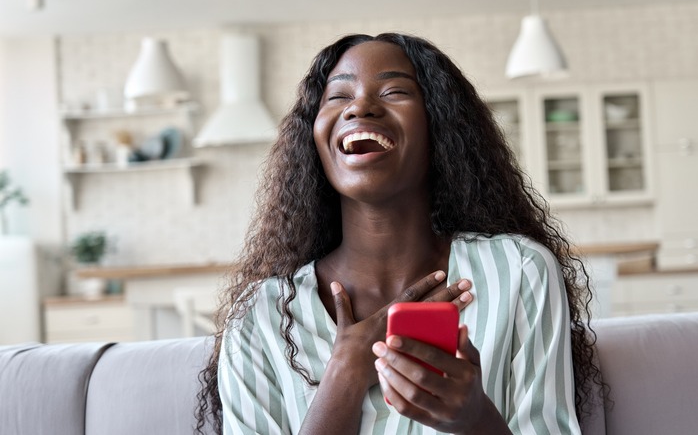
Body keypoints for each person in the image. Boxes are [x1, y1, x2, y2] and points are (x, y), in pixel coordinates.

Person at [196, 32, 603, 435]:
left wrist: (477, 420)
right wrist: (345, 371)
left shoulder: (519, 270)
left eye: (394, 92)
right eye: (338, 96)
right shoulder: (261, 315)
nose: (360, 106)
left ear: (439, 126)